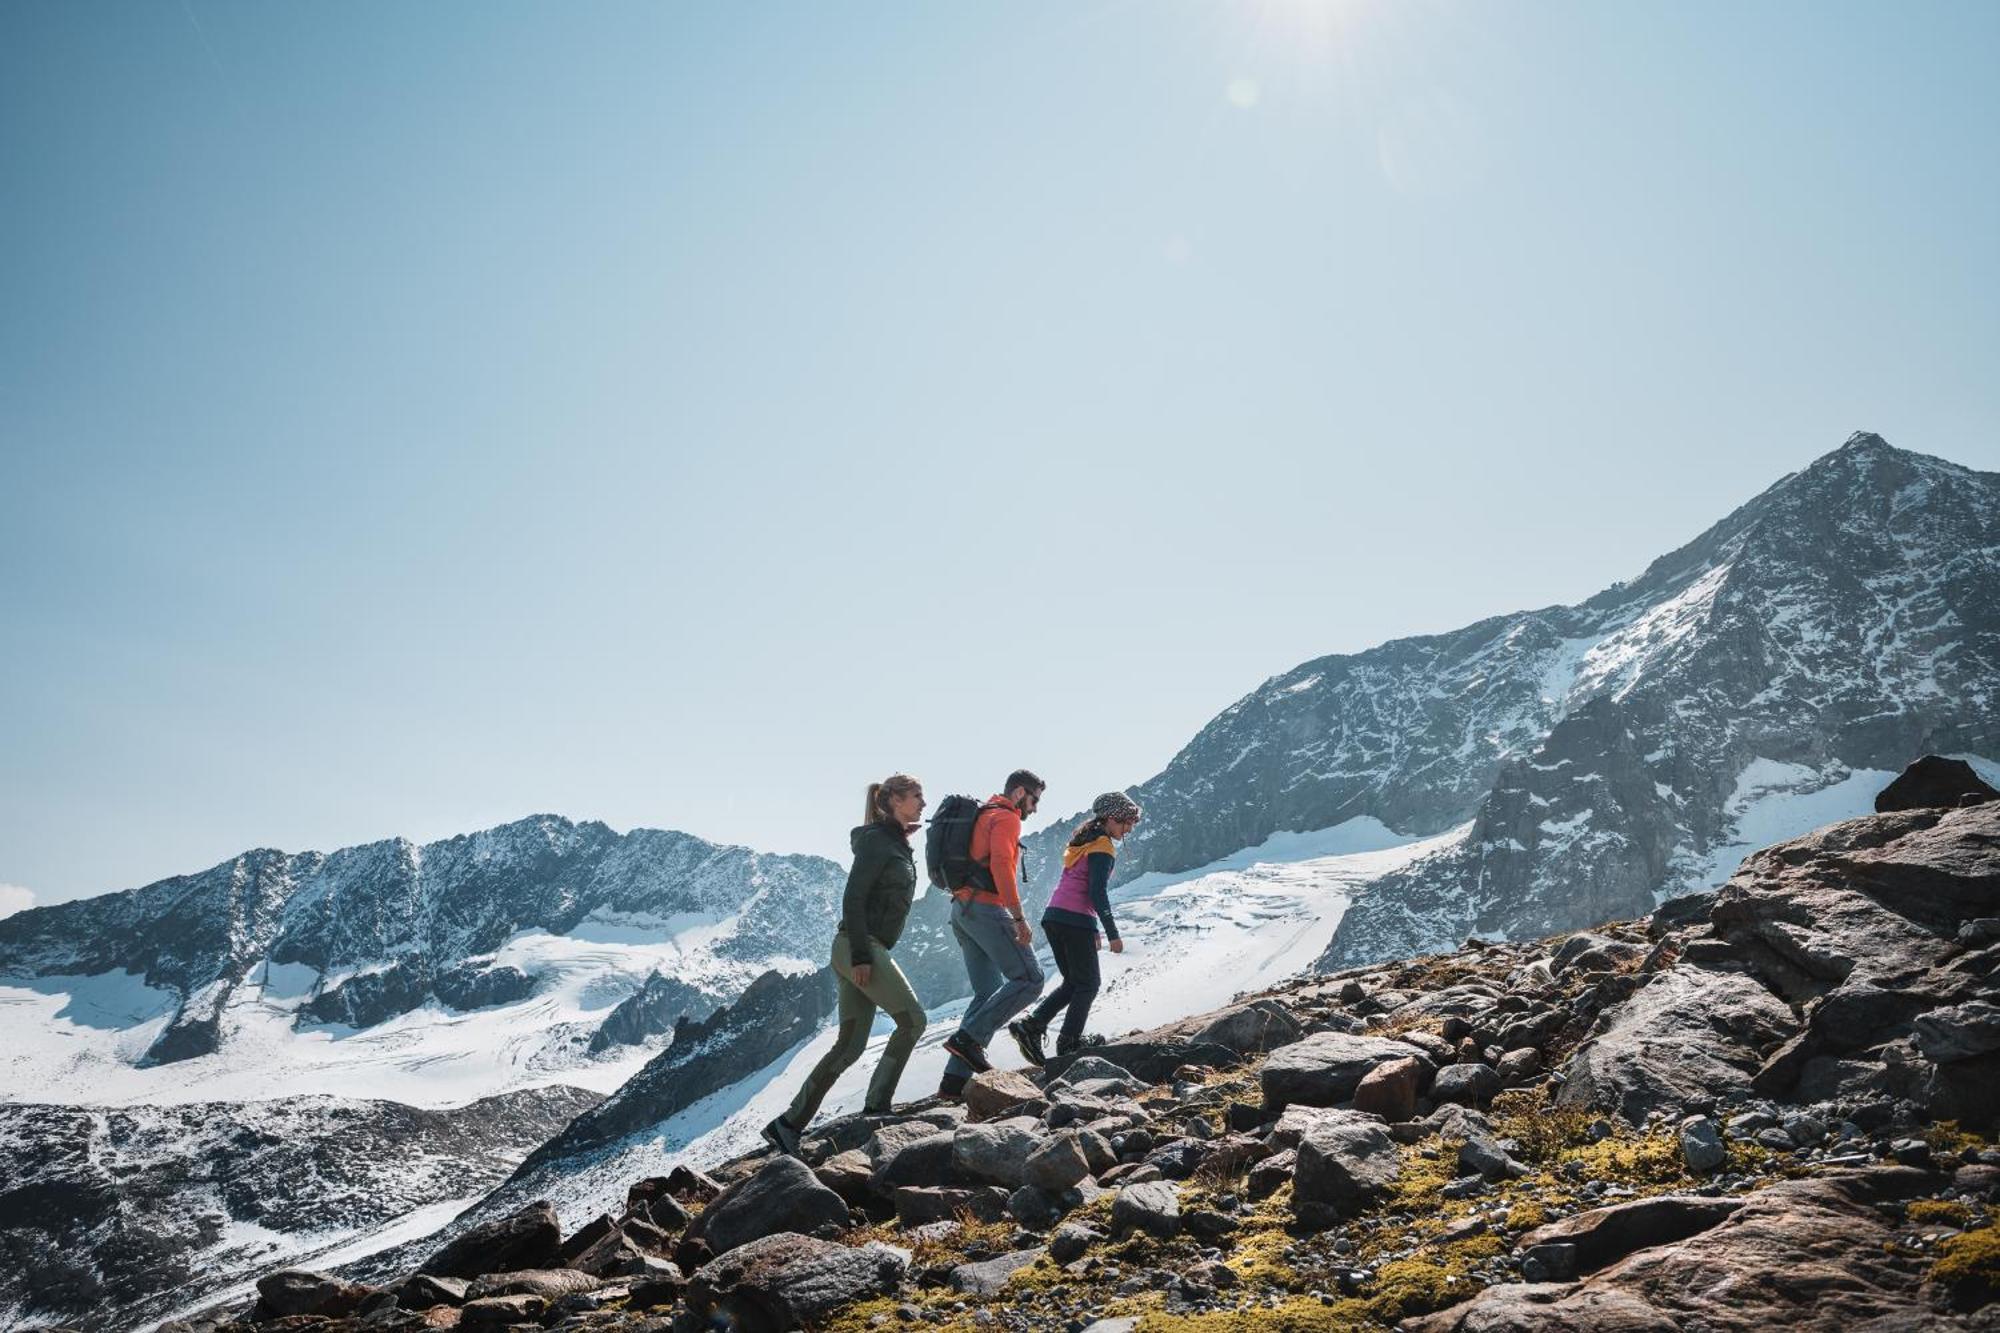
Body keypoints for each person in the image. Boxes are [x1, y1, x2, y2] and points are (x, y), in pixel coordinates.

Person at [762, 773, 928, 1157]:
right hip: (859, 946)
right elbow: (853, 899)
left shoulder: (892, 841)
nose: (923, 803)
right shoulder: (877, 842)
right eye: (917, 796)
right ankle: (877, 1108)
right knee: (914, 1020)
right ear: (894, 801)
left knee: (849, 1046)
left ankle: (787, 1126)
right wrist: (861, 956)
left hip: (856, 946)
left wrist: (901, 836)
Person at [937, 769, 1048, 1098]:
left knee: (986, 992)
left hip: (962, 910)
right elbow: (1000, 863)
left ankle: (952, 1085)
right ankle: (966, 1040)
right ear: (1018, 793)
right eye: (1034, 799)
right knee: (1030, 979)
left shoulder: (984, 813)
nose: (1035, 808)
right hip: (987, 909)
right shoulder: (1007, 817)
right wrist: (1018, 916)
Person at [1008, 792, 1140, 1066]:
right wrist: (1112, 933)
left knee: (1073, 982)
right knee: (1089, 984)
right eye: (1127, 822)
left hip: (1055, 916)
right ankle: (1069, 1042)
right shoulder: (1102, 846)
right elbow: (1096, 891)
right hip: (1073, 919)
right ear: (1112, 818)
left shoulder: (1084, 841)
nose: (1129, 829)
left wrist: (1092, 928)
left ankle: (1032, 1026)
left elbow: (1076, 885)